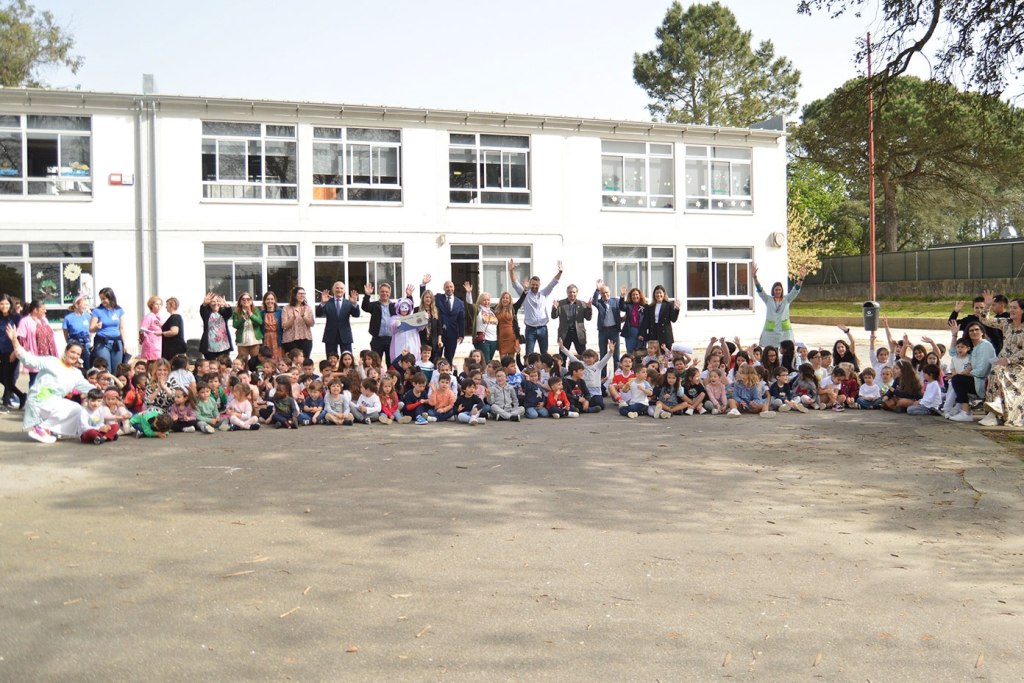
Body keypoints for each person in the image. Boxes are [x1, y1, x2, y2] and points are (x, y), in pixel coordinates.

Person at [5, 323, 94, 444]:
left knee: (77, 409)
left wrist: (107, 391)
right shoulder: (52, 362)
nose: (75, 356)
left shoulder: (76, 373)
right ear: (66, 351)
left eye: (78, 354)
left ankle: (49, 428)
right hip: (39, 399)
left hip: (54, 403)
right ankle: (42, 428)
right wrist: (15, 340)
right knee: (71, 407)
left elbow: (90, 389)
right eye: (73, 352)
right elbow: (28, 359)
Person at [978, 293, 1024, 426]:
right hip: (1002, 364)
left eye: (1015, 307)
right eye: (1011, 307)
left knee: (997, 369)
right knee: (995, 370)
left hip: (1019, 366)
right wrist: (986, 305)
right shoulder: (1006, 324)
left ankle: (995, 410)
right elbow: (984, 320)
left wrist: (1009, 360)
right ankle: (993, 411)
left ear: (1022, 310)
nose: (1012, 310)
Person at [509, 258, 562, 355]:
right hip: (530, 329)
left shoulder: (543, 293)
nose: (534, 286)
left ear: (539, 285)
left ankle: (544, 370)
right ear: (529, 284)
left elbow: (553, 283)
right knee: (529, 354)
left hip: (543, 329)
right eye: (532, 284)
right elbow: (515, 284)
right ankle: (529, 370)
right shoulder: (525, 294)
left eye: (536, 285)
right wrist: (511, 270)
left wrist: (560, 272)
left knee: (544, 354)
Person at [947, 320, 997, 422]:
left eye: (977, 330)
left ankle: (965, 412)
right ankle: (958, 408)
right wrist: (954, 335)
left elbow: (981, 371)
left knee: (957, 379)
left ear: (982, 332)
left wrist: (962, 374)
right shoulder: (974, 347)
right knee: (954, 379)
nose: (974, 332)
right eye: (971, 330)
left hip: (983, 383)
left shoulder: (985, 345)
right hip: (974, 379)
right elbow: (953, 353)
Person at [753, 263, 806, 348]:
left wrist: (801, 278)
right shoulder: (768, 299)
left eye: (779, 290)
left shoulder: (787, 299)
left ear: (782, 290)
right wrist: (754, 277)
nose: (778, 291)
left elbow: (795, 289)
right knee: (770, 350)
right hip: (771, 333)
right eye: (776, 290)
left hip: (784, 332)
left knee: (786, 349)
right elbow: (759, 289)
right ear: (773, 291)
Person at [18, 301, 57, 387]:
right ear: (35, 310)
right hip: (35, 357)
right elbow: (21, 339)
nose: (45, 311)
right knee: (35, 382)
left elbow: (51, 335)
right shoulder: (25, 321)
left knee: (48, 382)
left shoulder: (44, 320)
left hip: (48, 358)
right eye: (43, 309)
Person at [316, 281, 361, 357]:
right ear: (333, 290)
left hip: (345, 336)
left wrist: (354, 304)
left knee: (347, 359)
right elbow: (318, 314)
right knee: (331, 359)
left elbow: (356, 315)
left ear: (344, 291)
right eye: (337, 288)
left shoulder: (348, 303)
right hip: (330, 336)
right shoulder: (327, 302)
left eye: (341, 288)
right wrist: (323, 303)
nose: (339, 290)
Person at [90, 287, 126, 371]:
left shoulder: (119, 310)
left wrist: (125, 344)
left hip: (117, 342)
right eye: (101, 299)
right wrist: (96, 327)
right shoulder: (97, 311)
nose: (102, 301)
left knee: (117, 368)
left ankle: (115, 384)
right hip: (102, 343)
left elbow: (122, 328)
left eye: (104, 298)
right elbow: (91, 329)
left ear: (110, 297)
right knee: (106, 368)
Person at [361, 282, 396, 366]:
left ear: (389, 293)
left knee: (391, 363)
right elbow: (365, 307)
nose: (384, 293)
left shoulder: (394, 306)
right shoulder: (375, 305)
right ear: (379, 293)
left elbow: (406, 310)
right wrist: (367, 295)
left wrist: (409, 296)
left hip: (391, 339)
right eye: (382, 291)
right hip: (377, 339)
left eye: (386, 292)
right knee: (375, 363)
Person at [552, 284, 592, 358]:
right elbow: (554, 316)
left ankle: (583, 369)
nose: (572, 294)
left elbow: (588, 318)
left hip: (579, 334)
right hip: (565, 333)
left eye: (574, 292)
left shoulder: (583, 304)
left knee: (582, 356)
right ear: (567, 293)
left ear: (577, 293)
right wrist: (554, 308)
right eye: (570, 292)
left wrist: (589, 308)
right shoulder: (560, 303)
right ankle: (562, 369)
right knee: (562, 356)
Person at [592, 280, 624, 368]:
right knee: (603, 354)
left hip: (614, 330)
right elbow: (594, 302)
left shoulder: (616, 301)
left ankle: (616, 374)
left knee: (616, 355)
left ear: (609, 292)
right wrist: (597, 290)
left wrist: (622, 297)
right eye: (602, 293)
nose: (605, 294)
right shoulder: (599, 303)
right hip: (603, 331)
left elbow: (622, 306)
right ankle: (603, 375)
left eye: (606, 292)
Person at [0, 294, 24, 411]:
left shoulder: (16, 318)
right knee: (4, 377)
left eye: (6, 303)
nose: (4, 306)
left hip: (12, 351)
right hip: (2, 351)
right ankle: (21, 395)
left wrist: (15, 351)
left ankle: (5, 403)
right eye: (2, 303)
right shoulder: (0, 317)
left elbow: (20, 337)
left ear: (11, 305)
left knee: (7, 377)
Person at [436, 280, 466, 365]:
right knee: (436, 357)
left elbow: (461, 319)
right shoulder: (438, 298)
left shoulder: (460, 303)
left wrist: (461, 334)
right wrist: (423, 285)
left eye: (451, 287)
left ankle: (448, 375)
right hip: (439, 333)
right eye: (447, 287)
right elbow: (425, 298)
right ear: (444, 288)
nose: (449, 289)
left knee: (449, 358)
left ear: (454, 288)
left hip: (452, 334)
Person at [199, 292, 234, 361]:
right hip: (209, 346)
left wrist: (226, 305)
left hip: (223, 346)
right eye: (213, 301)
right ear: (209, 303)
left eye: (217, 301)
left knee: (223, 365)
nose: (215, 303)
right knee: (212, 366)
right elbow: (202, 310)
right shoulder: (207, 313)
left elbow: (229, 313)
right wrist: (204, 303)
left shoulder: (223, 313)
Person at [281, 286, 314, 360]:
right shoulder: (286, 308)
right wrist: (293, 318)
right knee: (291, 362)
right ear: (294, 295)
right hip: (290, 340)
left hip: (305, 339)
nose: (302, 295)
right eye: (300, 293)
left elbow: (311, 323)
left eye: (304, 294)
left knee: (305, 361)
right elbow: (284, 326)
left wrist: (304, 317)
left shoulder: (307, 308)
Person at [63, 295, 93, 371]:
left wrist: (89, 339)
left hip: (86, 345)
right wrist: (68, 342)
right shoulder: (68, 318)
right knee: (73, 366)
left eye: (86, 305)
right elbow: (65, 332)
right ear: (76, 305)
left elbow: (91, 329)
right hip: (74, 343)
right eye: (84, 305)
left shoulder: (88, 316)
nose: (85, 307)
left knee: (87, 366)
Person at [232, 292, 263, 363]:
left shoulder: (256, 311)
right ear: (240, 302)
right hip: (242, 343)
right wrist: (244, 318)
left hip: (255, 341)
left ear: (251, 301)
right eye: (243, 299)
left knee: (255, 362)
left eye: (248, 299)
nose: (246, 301)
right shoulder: (236, 312)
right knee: (243, 362)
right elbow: (235, 325)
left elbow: (260, 322)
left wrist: (251, 315)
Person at [492, 291, 521, 359]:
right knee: (503, 360)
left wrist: (525, 290)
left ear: (510, 300)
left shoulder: (513, 308)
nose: (505, 299)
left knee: (511, 361)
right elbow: (485, 308)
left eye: (507, 298)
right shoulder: (496, 308)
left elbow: (520, 301)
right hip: (501, 338)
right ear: (501, 299)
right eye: (503, 298)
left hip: (512, 337)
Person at [472, 291, 498, 362]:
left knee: (489, 361)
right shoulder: (478, 310)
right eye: (484, 300)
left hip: (493, 340)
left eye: (488, 300)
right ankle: (484, 373)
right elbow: (470, 306)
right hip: (483, 340)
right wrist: (468, 293)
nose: (486, 302)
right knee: (486, 361)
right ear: (480, 301)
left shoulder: (492, 311)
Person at [138, 296, 164, 364]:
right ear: (151, 305)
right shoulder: (148, 317)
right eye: (156, 304)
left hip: (158, 344)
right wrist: (142, 339)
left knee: (156, 363)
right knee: (152, 363)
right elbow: (142, 330)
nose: (159, 306)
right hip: (151, 344)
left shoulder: (159, 317)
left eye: (160, 304)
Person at [160, 297, 187, 362]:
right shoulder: (177, 317)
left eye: (167, 305)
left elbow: (174, 331)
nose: (166, 307)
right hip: (174, 348)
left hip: (173, 350)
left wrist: (162, 333)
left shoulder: (174, 317)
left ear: (171, 305)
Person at [260, 291, 284, 361]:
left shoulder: (281, 312)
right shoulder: (261, 313)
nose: (270, 301)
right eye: (267, 299)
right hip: (266, 338)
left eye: (271, 299)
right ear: (264, 301)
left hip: (277, 338)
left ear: (275, 300)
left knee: (278, 358)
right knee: (267, 358)